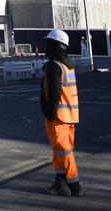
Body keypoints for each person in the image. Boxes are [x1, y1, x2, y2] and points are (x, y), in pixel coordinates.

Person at [41, 29, 81, 197]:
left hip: (57, 116)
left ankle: (74, 184)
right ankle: (60, 184)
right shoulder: (67, 65)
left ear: (57, 46)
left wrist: (50, 112)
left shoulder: (54, 66)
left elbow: (55, 93)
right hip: (70, 115)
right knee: (60, 151)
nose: (46, 47)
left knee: (64, 151)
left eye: (49, 44)